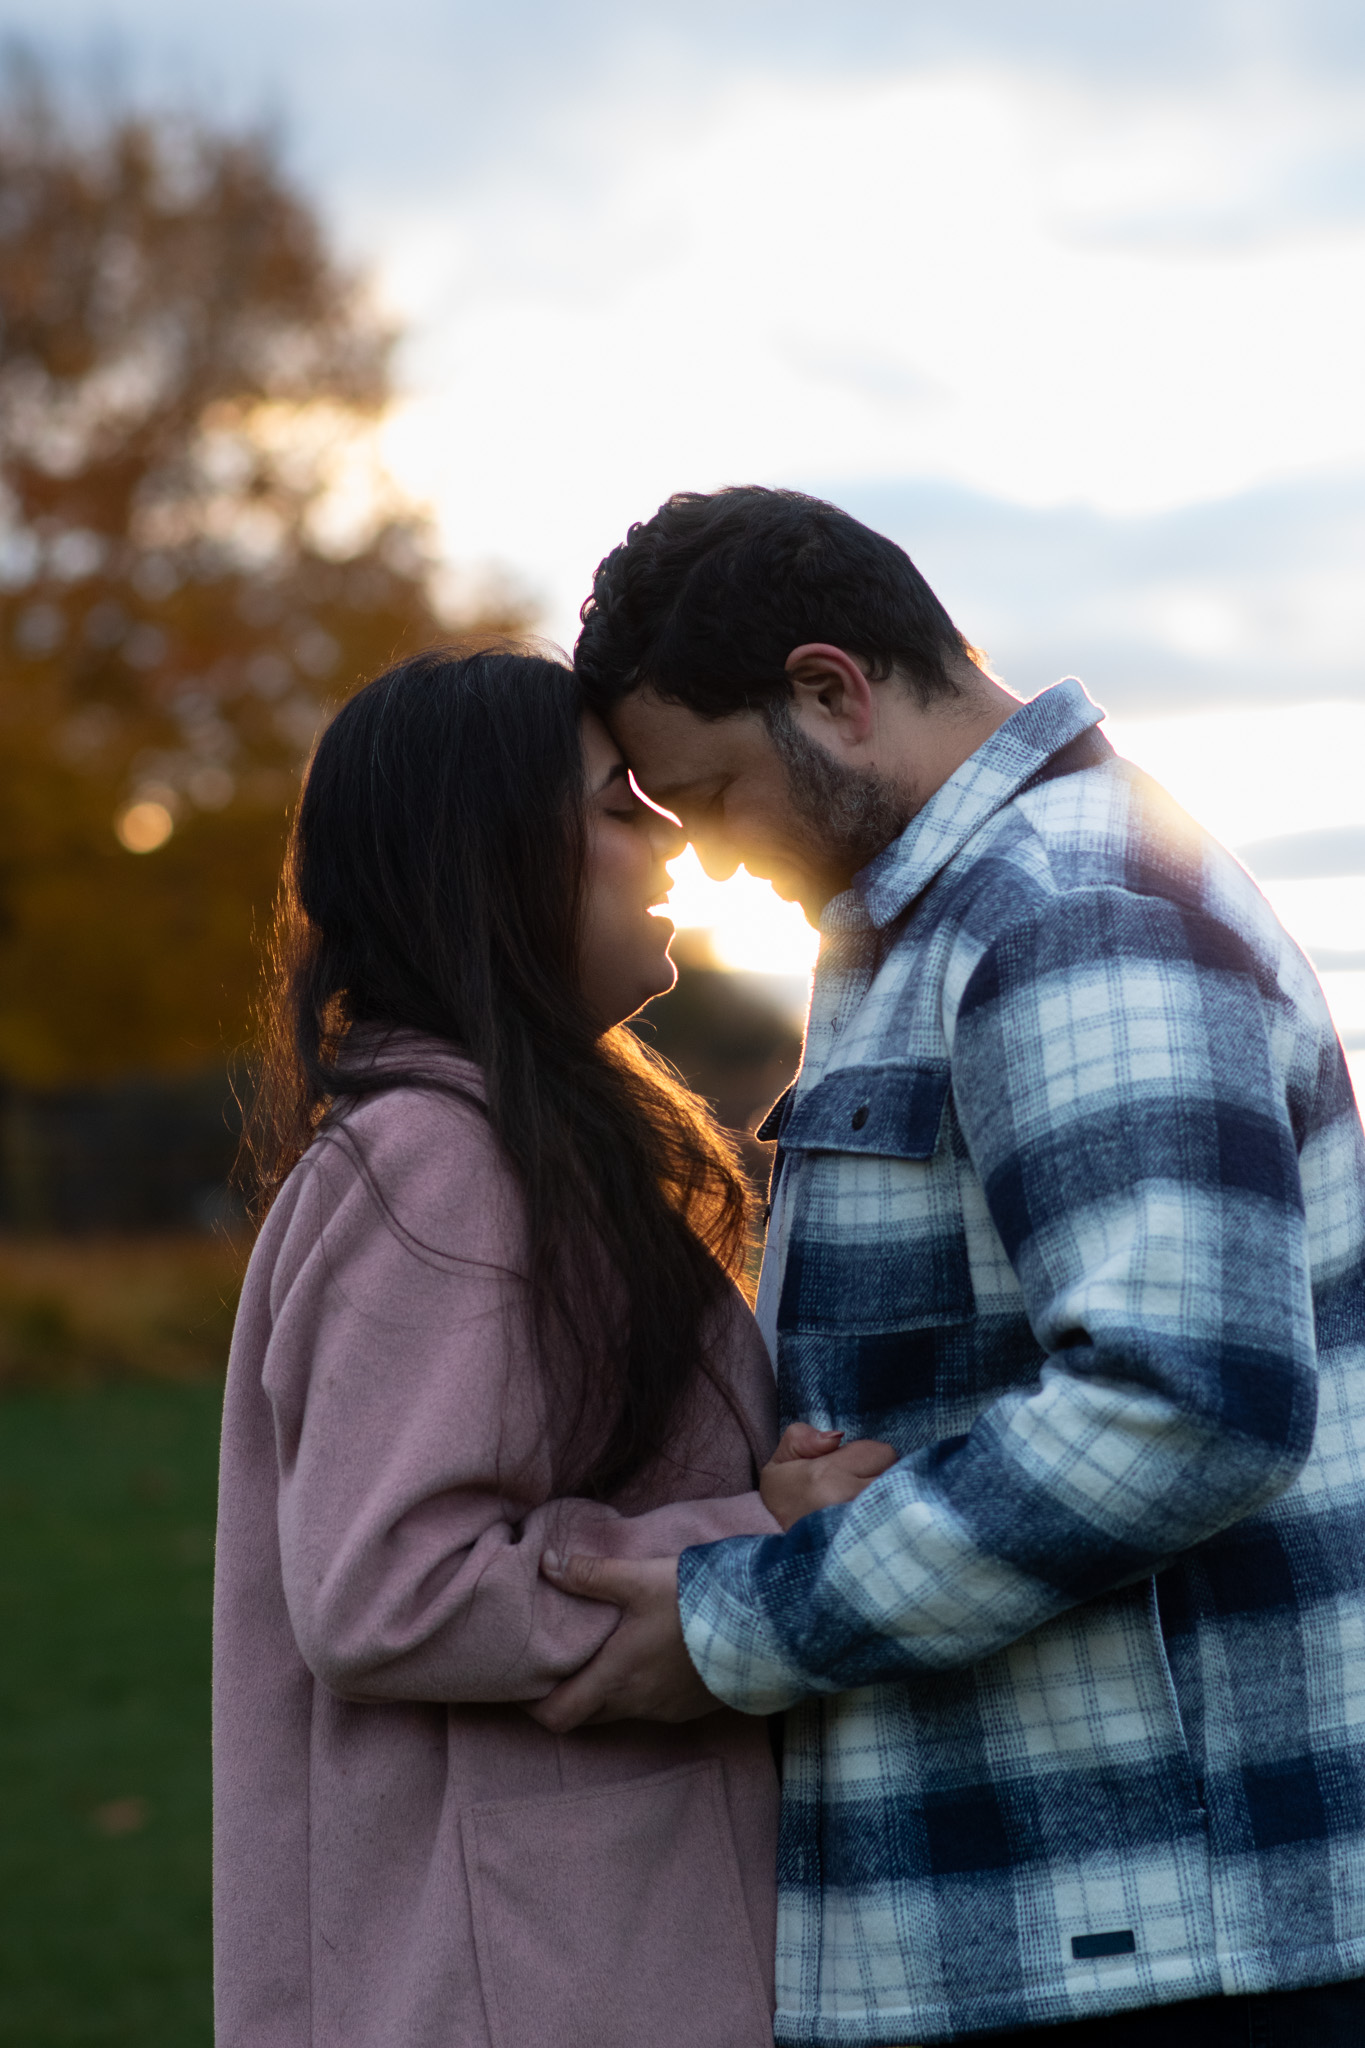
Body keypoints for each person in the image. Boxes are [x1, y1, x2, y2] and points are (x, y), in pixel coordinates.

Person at [530, 487, 1365, 2045]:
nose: (700, 862)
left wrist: (739, 1625)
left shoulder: (1071, 913)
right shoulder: (939, 925)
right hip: (1068, 1919)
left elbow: (1185, 1405)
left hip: (1164, 1940)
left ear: (830, 693)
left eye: (705, 795)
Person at [213, 644, 794, 2048]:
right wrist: (757, 1540)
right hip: (528, 1978)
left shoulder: (503, 1146)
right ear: (490, 857)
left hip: (563, 1954)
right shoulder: (438, 1164)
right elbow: (389, 1589)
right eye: (616, 804)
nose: (669, 837)